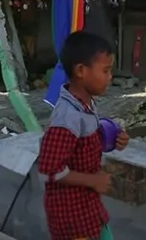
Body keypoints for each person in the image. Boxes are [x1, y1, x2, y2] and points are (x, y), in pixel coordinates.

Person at [38, 30, 129, 240]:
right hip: (71, 217)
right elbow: (49, 171)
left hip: (89, 209)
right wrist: (93, 181)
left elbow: (87, 142)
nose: (110, 77)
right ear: (81, 70)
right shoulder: (66, 117)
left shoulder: (85, 105)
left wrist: (115, 139)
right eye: (105, 71)